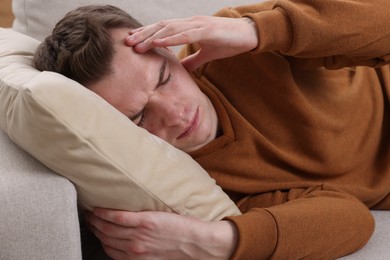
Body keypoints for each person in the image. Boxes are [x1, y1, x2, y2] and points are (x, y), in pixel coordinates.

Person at [32, 1, 390, 259]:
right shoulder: (188, 187)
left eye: (165, 78)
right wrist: (217, 239)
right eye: (139, 118)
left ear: (169, 51)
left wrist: (257, 29)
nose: (176, 113)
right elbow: (353, 219)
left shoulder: (232, 45)